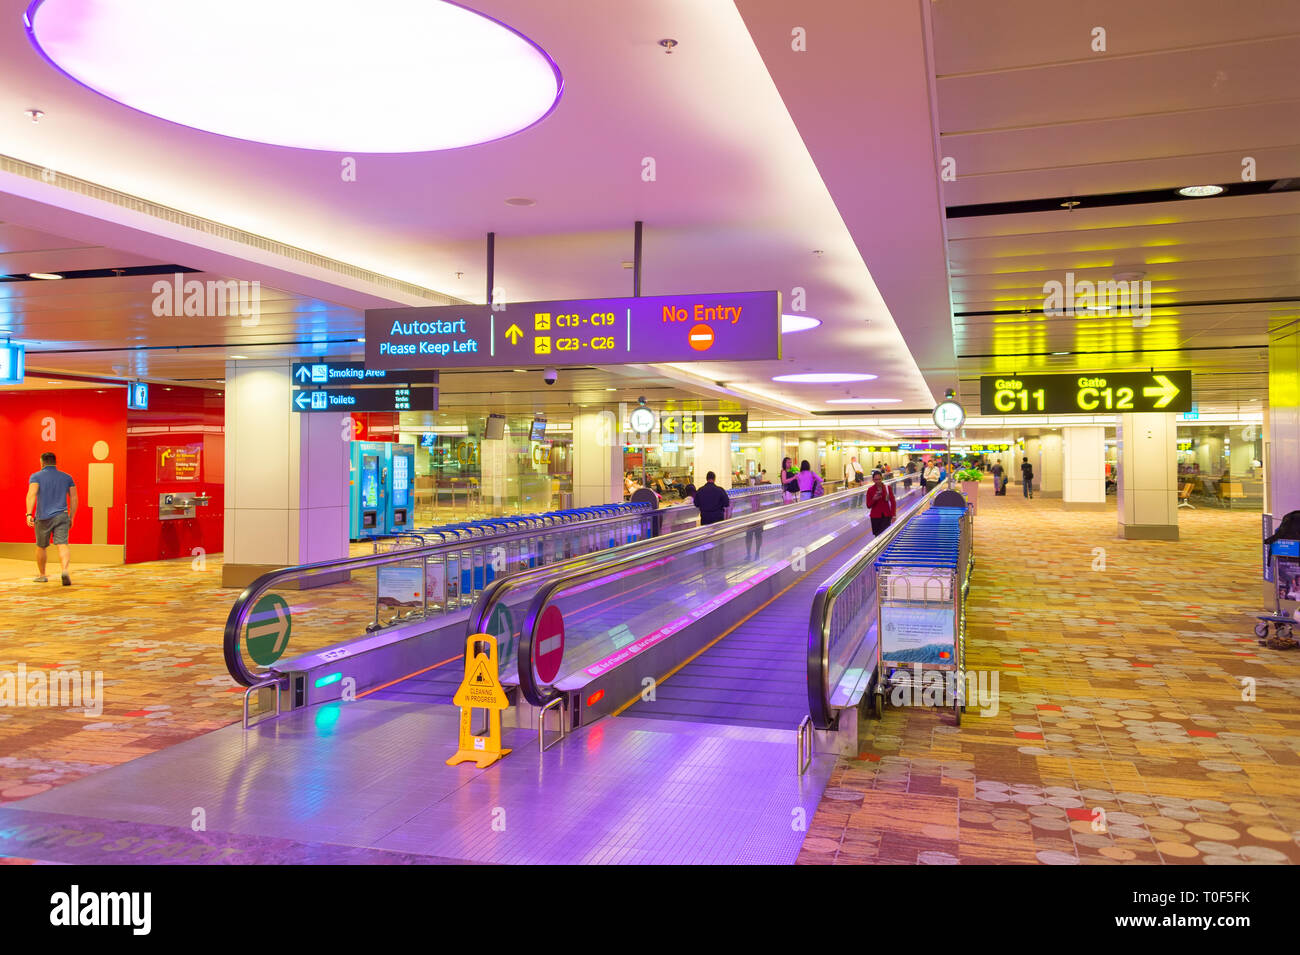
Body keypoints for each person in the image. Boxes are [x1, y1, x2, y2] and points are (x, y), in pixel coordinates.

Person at [26, 451, 78, 586]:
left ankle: (42, 575)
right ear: (55, 462)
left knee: (41, 546)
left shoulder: (36, 476)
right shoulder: (67, 477)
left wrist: (28, 513)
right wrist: (71, 516)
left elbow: (31, 494)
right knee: (62, 544)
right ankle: (65, 570)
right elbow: (73, 497)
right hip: (62, 515)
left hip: (43, 516)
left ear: (42, 462)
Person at [865, 469, 896, 536]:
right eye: (876, 479)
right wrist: (874, 499)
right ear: (873, 480)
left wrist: (893, 515)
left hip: (887, 516)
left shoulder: (887, 488)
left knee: (886, 535)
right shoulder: (870, 490)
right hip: (875, 517)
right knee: (877, 536)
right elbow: (868, 505)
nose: (878, 481)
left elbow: (893, 502)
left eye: (879, 479)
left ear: (882, 479)